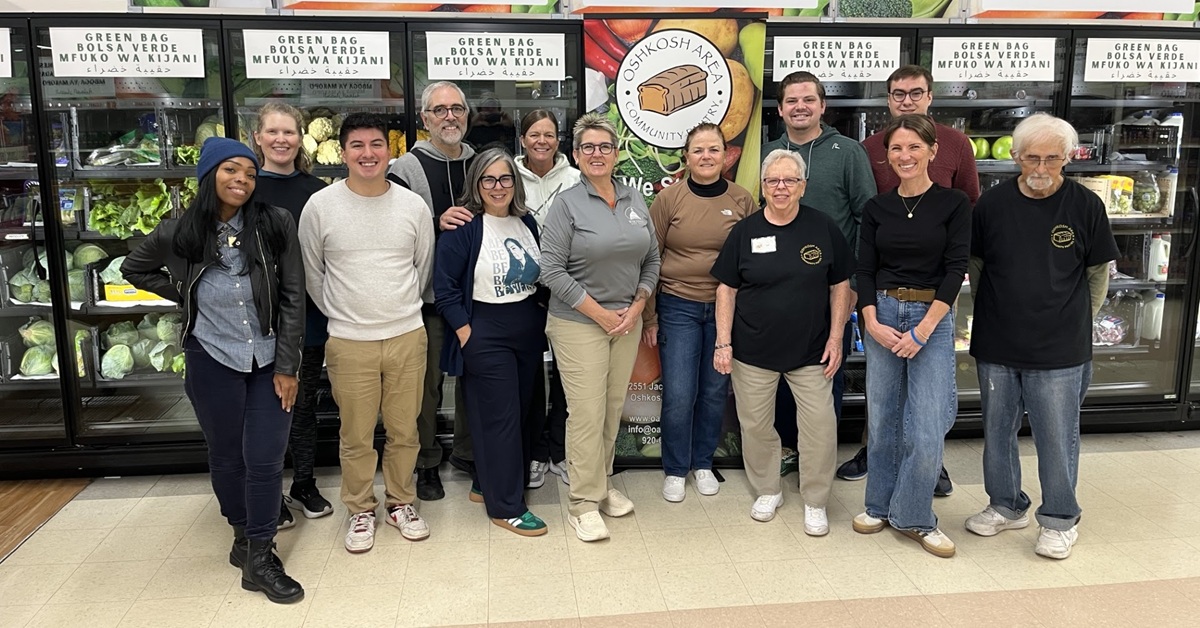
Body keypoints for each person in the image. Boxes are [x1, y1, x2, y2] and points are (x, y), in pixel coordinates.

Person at [121, 137, 305, 604]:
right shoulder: (179, 231)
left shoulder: (275, 223)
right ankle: (242, 536)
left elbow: (293, 297)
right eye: (230, 170)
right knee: (226, 456)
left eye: (249, 172)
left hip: (268, 360)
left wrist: (288, 365)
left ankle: (261, 554)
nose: (242, 179)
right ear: (209, 175)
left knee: (265, 458)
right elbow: (133, 268)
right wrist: (185, 291)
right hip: (210, 357)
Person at [965, 113, 1117, 560]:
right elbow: (976, 268)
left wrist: (1075, 320)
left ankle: (1060, 519)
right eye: (1032, 158)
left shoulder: (1086, 206)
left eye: (1052, 158)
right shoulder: (991, 205)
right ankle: (1006, 505)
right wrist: (992, 312)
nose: (1041, 168)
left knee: (1056, 437)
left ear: (1067, 158)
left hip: (1060, 348)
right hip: (998, 341)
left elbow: (1097, 275)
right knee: (997, 432)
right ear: (1015, 156)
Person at [299, 113, 435, 553]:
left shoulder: (412, 206)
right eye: (357, 145)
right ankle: (360, 509)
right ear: (343, 153)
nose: (368, 153)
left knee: (405, 430)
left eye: (376, 144)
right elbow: (313, 274)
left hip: (406, 335)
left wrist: (398, 309)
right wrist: (344, 315)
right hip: (349, 340)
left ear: (390, 151)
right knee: (355, 434)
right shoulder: (320, 207)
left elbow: (423, 268)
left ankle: (401, 502)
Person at [843, 64, 982, 491]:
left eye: (915, 92)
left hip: (936, 285)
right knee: (884, 392)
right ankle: (875, 452)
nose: (907, 100)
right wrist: (868, 306)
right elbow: (865, 210)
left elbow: (971, 203)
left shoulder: (956, 144)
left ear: (930, 96)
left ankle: (929, 462)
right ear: (888, 100)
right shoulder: (868, 148)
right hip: (886, 283)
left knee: (932, 393)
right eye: (898, 94)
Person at [711, 149, 851, 531]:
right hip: (753, 351)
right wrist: (723, 342)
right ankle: (768, 489)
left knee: (820, 427)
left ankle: (816, 500)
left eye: (790, 180)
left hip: (812, 351)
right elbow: (726, 290)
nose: (781, 187)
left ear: (803, 186)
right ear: (763, 186)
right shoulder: (745, 232)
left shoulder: (823, 228)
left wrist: (836, 338)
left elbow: (841, 286)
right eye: (772, 180)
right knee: (756, 426)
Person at [852, 114, 969, 559]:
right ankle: (879, 506)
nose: (905, 156)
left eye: (914, 147)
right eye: (897, 148)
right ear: (887, 156)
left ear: (932, 151)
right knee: (883, 418)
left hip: (931, 317)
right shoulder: (877, 208)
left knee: (927, 423)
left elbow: (955, 270)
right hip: (882, 312)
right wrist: (870, 321)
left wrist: (922, 331)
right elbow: (865, 270)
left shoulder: (953, 204)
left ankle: (915, 516)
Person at [540, 112, 661, 542]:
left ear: (616, 153)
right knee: (587, 413)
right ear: (576, 155)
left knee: (611, 409)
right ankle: (582, 503)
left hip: (626, 322)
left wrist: (639, 303)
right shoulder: (567, 204)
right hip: (579, 324)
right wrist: (601, 314)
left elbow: (652, 258)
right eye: (588, 147)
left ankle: (601, 484)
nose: (597, 154)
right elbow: (550, 270)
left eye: (605, 146)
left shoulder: (633, 199)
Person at [760, 71, 875, 474]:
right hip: (775, 290)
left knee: (827, 369)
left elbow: (866, 219)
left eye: (808, 99)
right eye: (791, 101)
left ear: (823, 106)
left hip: (831, 288)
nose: (800, 107)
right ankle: (788, 450)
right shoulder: (768, 153)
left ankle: (819, 455)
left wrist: (855, 281)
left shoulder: (847, 152)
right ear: (780, 109)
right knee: (779, 373)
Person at [434, 148, 550, 536]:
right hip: (485, 331)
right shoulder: (463, 228)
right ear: (476, 184)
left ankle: (487, 483)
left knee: (523, 412)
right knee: (500, 419)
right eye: (489, 179)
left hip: (527, 330)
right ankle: (507, 507)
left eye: (505, 178)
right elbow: (445, 289)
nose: (497, 187)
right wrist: (465, 332)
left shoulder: (526, 222)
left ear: (515, 183)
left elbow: (539, 276)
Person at [641, 123, 757, 503]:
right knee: (679, 393)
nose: (706, 157)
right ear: (686, 157)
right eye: (698, 150)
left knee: (713, 391)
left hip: (727, 310)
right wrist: (650, 316)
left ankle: (703, 463)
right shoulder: (668, 199)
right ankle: (676, 469)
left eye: (713, 150)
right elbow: (650, 259)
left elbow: (754, 258)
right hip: (678, 305)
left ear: (726, 156)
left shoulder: (742, 200)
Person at [387, 81, 477, 501]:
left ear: (467, 115)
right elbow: (391, 232)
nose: (449, 117)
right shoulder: (405, 169)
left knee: (474, 379)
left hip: (476, 296)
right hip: (427, 298)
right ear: (424, 118)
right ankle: (425, 461)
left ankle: (467, 452)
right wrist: (435, 222)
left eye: (457, 108)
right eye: (439, 110)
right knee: (425, 386)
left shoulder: (480, 162)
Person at [250, 101, 333, 529]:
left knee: (302, 406)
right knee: (266, 410)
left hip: (309, 317)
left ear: (300, 139)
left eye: (289, 132)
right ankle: (271, 492)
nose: (281, 139)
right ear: (258, 137)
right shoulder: (245, 187)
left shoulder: (318, 192)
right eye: (273, 131)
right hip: (258, 319)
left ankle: (304, 483)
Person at [516, 109, 580, 488]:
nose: (542, 141)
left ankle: (560, 451)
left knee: (566, 375)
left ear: (559, 140)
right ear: (523, 139)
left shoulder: (575, 178)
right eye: (534, 134)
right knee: (530, 376)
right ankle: (536, 453)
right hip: (524, 291)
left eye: (549, 135)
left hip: (567, 287)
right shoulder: (509, 176)